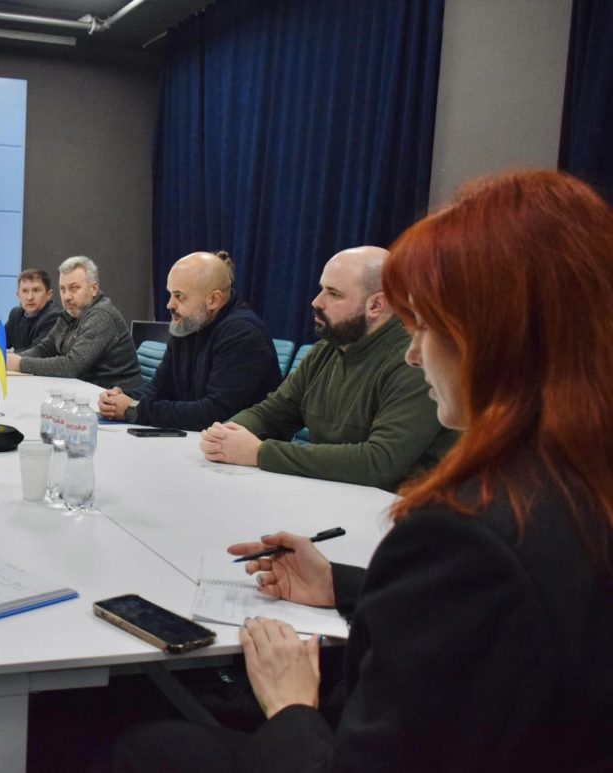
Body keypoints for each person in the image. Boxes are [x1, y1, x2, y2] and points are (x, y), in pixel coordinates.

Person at [115, 170, 613, 772]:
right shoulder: (573, 483)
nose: (413, 352)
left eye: (425, 327)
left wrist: (290, 704)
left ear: (494, 339)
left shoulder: (468, 530)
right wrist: (343, 584)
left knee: (143, 746)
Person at [200, 245, 457, 490]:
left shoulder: (413, 363)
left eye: (334, 294)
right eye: (321, 289)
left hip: (399, 508)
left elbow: (380, 462)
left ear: (376, 305)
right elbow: (272, 413)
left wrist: (260, 453)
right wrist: (226, 435)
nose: (316, 301)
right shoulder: (325, 351)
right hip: (335, 496)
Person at [98, 251, 281, 431]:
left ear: (213, 300)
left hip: (244, 446)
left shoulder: (243, 334)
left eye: (179, 296)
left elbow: (215, 413)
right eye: (170, 294)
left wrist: (135, 410)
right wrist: (121, 398)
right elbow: (159, 388)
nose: (169, 304)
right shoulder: (190, 324)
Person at [0, 255, 141, 389]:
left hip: (113, 395)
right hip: (85, 390)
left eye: (74, 288)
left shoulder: (102, 315)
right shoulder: (71, 312)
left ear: (94, 289)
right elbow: (45, 348)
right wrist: (14, 358)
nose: (66, 296)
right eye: (62, 289)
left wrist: (20, 363)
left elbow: (72, 366)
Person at [0, 268, 59, 353]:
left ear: (48, 295)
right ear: (18, 295)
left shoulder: (54, 317)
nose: (30, 297)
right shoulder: (16, 314)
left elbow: (36, 352)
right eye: (25, 291)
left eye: (36, 290)